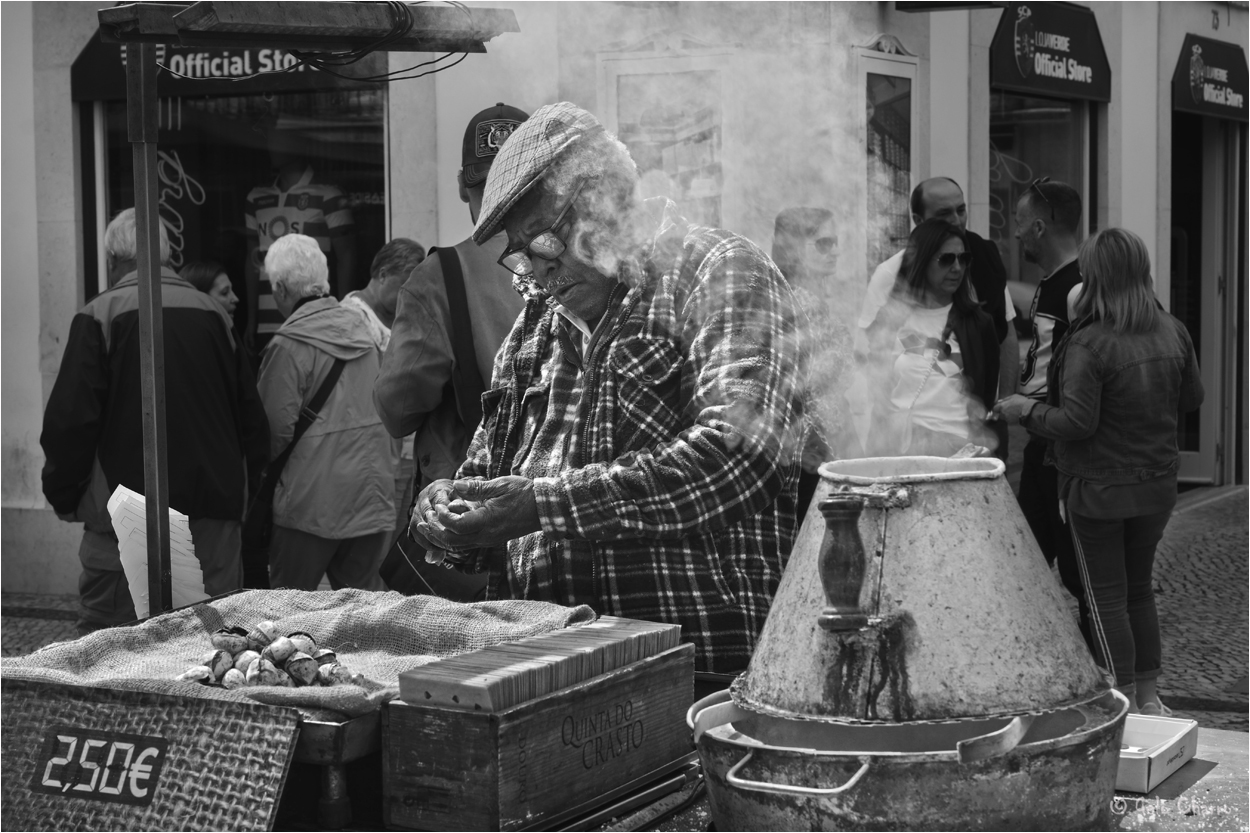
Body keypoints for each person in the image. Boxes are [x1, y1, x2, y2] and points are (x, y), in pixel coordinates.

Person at [409, 102, 809, 673]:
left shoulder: (717, 270)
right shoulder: (534, 328)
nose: (537, 271)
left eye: (544, 241)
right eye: (520, 254)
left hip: (696, 670)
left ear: (605, 198)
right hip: (549, 670)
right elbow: (489, 481)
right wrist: (450, 511)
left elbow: (741, 456)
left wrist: (543, 505)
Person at [993, 228, 1203, 716]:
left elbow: (1076, 423)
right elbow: (1192, 398)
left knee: (1105, 597)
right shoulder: (1172, 329)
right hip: (1156, 486)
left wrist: (1025, 409)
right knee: (1138, 591)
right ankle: (1149, 700)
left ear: (1096, 278)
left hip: (1098, 491)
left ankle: (1120, 703)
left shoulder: (1089, 341)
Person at [41, 208, 269, 635]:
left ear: (113, 261)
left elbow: (69, 425)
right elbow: (252, 421)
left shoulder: (100, 314)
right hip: (213, 524)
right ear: (165, 257)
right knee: (211, 654)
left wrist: (67, 497)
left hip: (125, 528)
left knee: (115, 657)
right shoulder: (215, 316)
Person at [374, 103, 528, 599]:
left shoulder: (439, 278)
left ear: (464, 185)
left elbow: (397, 409)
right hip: (560, 515)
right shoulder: (587, 268)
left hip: (465, 518)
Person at [256, 234, 398, 591]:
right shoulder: (365, 333)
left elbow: (272, 434)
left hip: (308, 507)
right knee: (365, 614)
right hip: (371, 496)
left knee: (290, 611)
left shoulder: (287, 345)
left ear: (281, 289)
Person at [854, 177, 1017, 459]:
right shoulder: (889, 282)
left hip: (961, 450)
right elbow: (869, 363)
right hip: (903, 448)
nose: (957, 268)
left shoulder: (981, 303)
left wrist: (998, 414)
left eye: (963, 259)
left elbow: (1001, 349)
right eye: (946, 260)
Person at [1011, 178, 1091, 648]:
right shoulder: (1052, 281)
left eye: (1021, 223)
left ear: (1040, 227)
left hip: (1063, 452)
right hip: (1039, 443)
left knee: (1080, 574)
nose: (1017, 233)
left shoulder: (1080, 287)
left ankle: (1102, 666)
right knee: (1025, 558)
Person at [341, 237, 426, 540]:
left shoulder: (405, 314)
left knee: (401, 538)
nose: (408, 293)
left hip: (407, 450)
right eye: (403, 284)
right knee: (378, 541)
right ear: (382, 274)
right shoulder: (351, 317)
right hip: (373, 453)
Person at [770, 207, 852, 521]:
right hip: (810, 454)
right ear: (793, 248)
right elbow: (791, 387)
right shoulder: (795, 304)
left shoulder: (808, 300)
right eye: (823, 243)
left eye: (835, 242)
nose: (835, 251)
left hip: (824, 446)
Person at [244, 129, 356, 353]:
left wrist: (344, 312)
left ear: (299, 142)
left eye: (281, 137)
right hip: (266, 323)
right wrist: (251, 320)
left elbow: (347, 256)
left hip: (315, 320)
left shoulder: (329, 196)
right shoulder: (256, 198)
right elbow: (252, 261)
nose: (272, 145)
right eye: (271, 138)